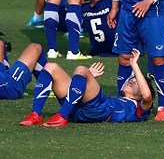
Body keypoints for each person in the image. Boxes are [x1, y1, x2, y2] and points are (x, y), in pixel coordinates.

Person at [19, 48, 153, 127]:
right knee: (50, 67)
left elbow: (147, 96)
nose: (131, 81)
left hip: (99, 110)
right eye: (132, 79)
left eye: (136, 82)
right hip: (78, 108)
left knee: (81, 69)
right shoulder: (120, 99)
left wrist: (134, 65)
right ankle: (36, 114)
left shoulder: (140, 108)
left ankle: (61, 116)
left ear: (140, 94)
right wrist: (88, 78)